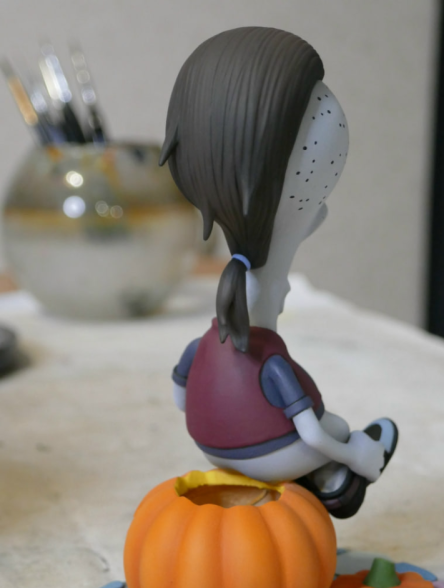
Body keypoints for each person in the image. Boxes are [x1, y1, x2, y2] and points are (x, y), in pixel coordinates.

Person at [160, 27, 398, 518]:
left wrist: (215, 412)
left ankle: (316, 477)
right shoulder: (268, 360)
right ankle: (336, 478)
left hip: (209, 444)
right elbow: (310, 431)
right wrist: (357, 456)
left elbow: (180, 394)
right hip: (273, 451)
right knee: (335, 428)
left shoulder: (204, 344)